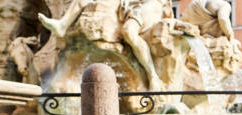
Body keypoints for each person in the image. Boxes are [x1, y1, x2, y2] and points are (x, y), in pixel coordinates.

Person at [39, 0, 173, 90]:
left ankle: (153, 75)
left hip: (149, 3)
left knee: (129, 30)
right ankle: (63, 24)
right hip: (129, 2)